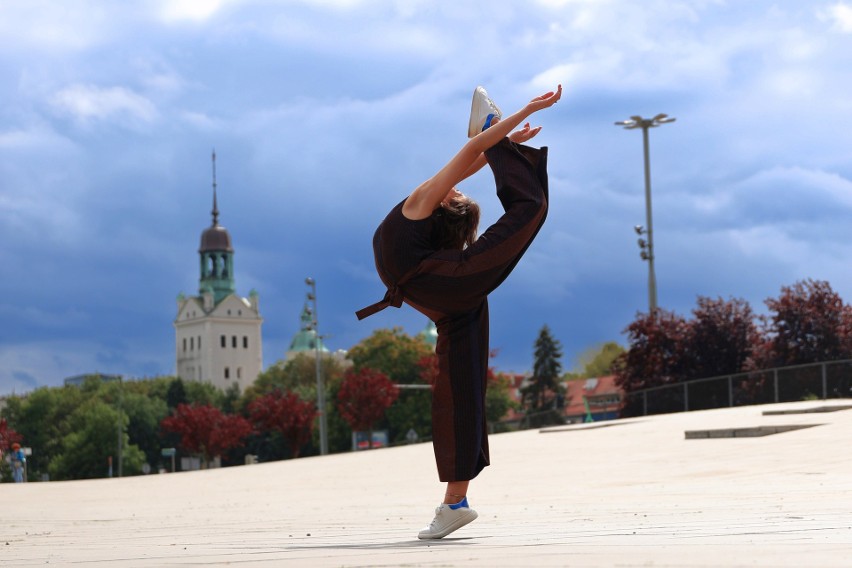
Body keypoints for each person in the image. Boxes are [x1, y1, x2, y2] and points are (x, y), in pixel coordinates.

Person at [357, 83, 562, 539]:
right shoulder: (424, 202)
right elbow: (473, 151)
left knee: (461, 383)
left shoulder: (421, 203)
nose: (454, 189)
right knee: (532, 205)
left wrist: (504, 142)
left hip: (428, 287)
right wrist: (508, 128)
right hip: (435, 281)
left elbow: (472, 156)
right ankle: (455, 497)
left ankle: (456, 500)